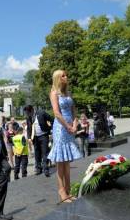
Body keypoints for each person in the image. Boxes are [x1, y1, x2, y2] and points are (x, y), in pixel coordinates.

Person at [47, 70, 82, 204]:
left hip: (69, 127)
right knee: (60, 162)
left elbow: (74, 112)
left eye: (66, 74)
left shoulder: (68, 93)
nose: (66, 77)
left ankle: (68, 190)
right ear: (57, 78)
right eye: (63, 75)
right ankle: (61, 191)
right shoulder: (54, 93)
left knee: (67, 162)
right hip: (60, 129)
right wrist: (68, 127)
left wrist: (74, 125)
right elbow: (56, 113)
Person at [24, 105, 53, 177]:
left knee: (45, 152)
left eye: (27, 113)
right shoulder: (28, 117)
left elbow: (51, 119)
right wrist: (29, 137)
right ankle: (38, 169)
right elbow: (29, 128)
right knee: (37, 154)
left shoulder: (41, 113)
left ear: (32, 110)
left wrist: (50, 128)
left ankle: (46, 169)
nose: (27, 114)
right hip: (35, 138)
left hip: (43, 136)